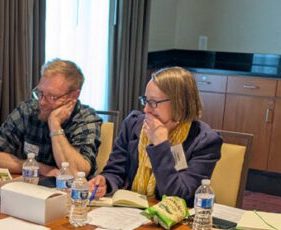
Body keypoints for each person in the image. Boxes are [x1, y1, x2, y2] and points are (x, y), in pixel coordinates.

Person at [89, 66, 222, 204]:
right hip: (133, 211)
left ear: (179, 103)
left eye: (153, 102)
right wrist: (106, 182)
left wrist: (160, 145)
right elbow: (115, 171)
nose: (146, 109)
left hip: (176, 219)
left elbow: (181, 196)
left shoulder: (205, 141)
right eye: (145, 100)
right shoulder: (134, 124)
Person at [0, 59, 102, 181]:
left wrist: (54, 124)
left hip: (71, 196)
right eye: (40, 93)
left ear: (74, 96)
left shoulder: (86, 119)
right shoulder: (28, 110)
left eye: (52, 97)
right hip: (31, 189)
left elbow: (75, 173)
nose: (42, 102)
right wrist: (38, 167)